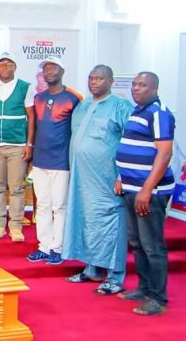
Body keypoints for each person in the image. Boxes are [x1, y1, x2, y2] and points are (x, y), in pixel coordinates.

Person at [63, 65, 132, 294]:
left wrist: (123, 176)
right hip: (82, 179)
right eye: (91, 78)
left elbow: (130, 142)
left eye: (99, 78)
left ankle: (115, 276)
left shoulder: (121, 106)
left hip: (107, 179)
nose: (94, 82)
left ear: (111, 81)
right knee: (87, 222)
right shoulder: (81, 107)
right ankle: (92, 269)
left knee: (111, 223)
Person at [115, 72, 175, 316]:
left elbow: (164, 154)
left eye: (142, 85)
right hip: (130, 188)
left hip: (150, 192)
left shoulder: (159, 113)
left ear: (155, 88)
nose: (136, 89)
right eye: (134, 84)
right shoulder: (137, 111)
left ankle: (158, 298)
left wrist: (146, 190)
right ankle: (143, 288)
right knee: (137, 243)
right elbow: (131, 146)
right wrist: (121, 177)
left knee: (152, 246)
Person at [26, 57, 82, 265]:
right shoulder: (39, 97)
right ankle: (44, 246)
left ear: (62, 70)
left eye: (53, 68)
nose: (49, 72)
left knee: (59, 206)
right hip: (40, 160)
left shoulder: (74, 98)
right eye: (45, 69)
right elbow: (34, 126)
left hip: (61, 161)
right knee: (43, 205)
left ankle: (58, 248)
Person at [0, 51, 35, 242]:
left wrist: (29, 143)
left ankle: (15, 226)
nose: (5, 68)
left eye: (8, 64)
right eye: (1, 64)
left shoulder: (25, 87)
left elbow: (31, 116)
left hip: (17, 145)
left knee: (16, 188)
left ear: (15, 67)